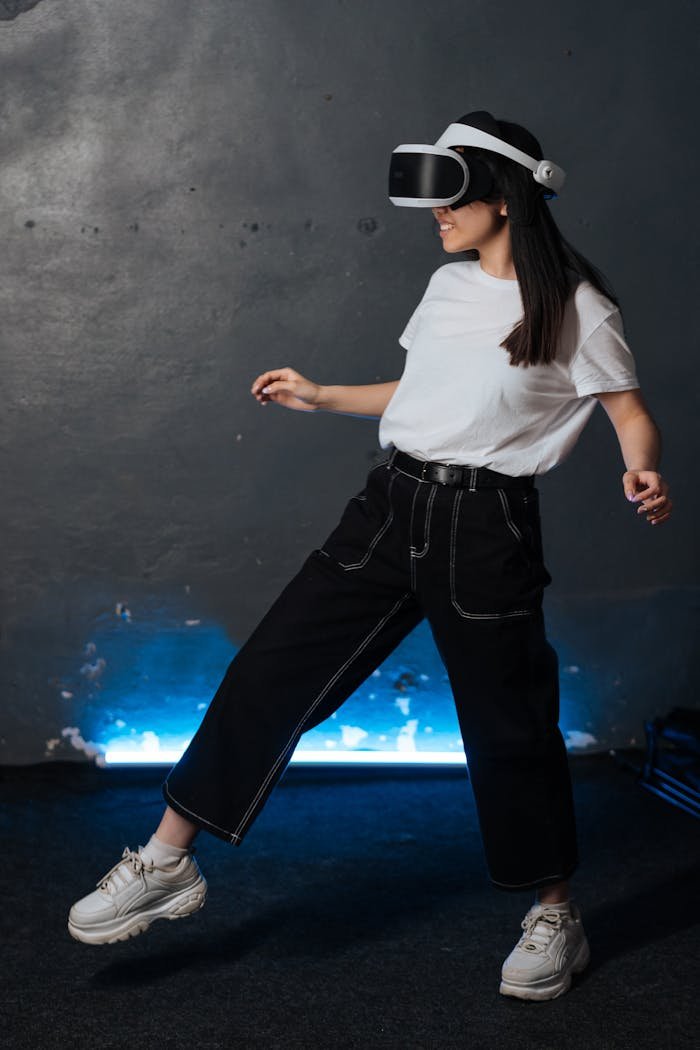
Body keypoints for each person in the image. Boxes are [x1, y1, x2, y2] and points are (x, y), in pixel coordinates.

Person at [68, 110, 672, 1001]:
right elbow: (419, 389)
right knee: (270, 671)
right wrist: (322, 394)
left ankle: (554, 915)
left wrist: (642, 470)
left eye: (451, 192)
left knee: (510, 734)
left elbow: (627, 412)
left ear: (503, 198)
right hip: (390, 508)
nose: (436, 212)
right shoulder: (446, 286)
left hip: (486, 529)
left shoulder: (579, 307)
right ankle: (168, 859)